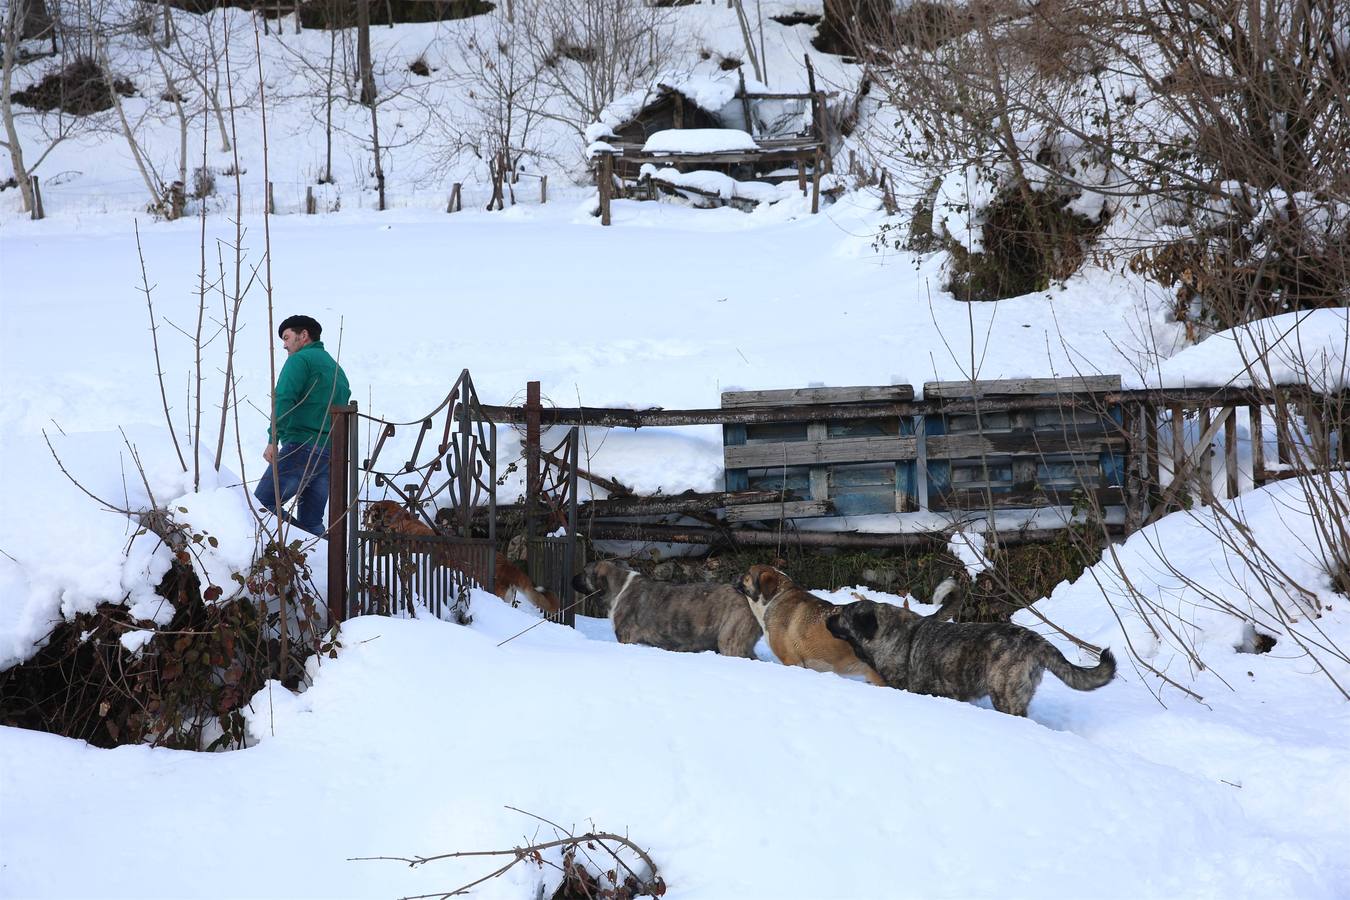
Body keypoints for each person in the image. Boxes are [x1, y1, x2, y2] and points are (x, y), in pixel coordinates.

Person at [255, 315, 351, 537]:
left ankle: (307, 544)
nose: (284, 345)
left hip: (302, 446)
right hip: (330, 453)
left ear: (304, 335)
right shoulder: (336, 368)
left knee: (260, 506)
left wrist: (273, 438)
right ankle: (326, 560)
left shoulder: (299, 360)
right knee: (311, 523)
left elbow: (284, 398)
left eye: (287, 337)